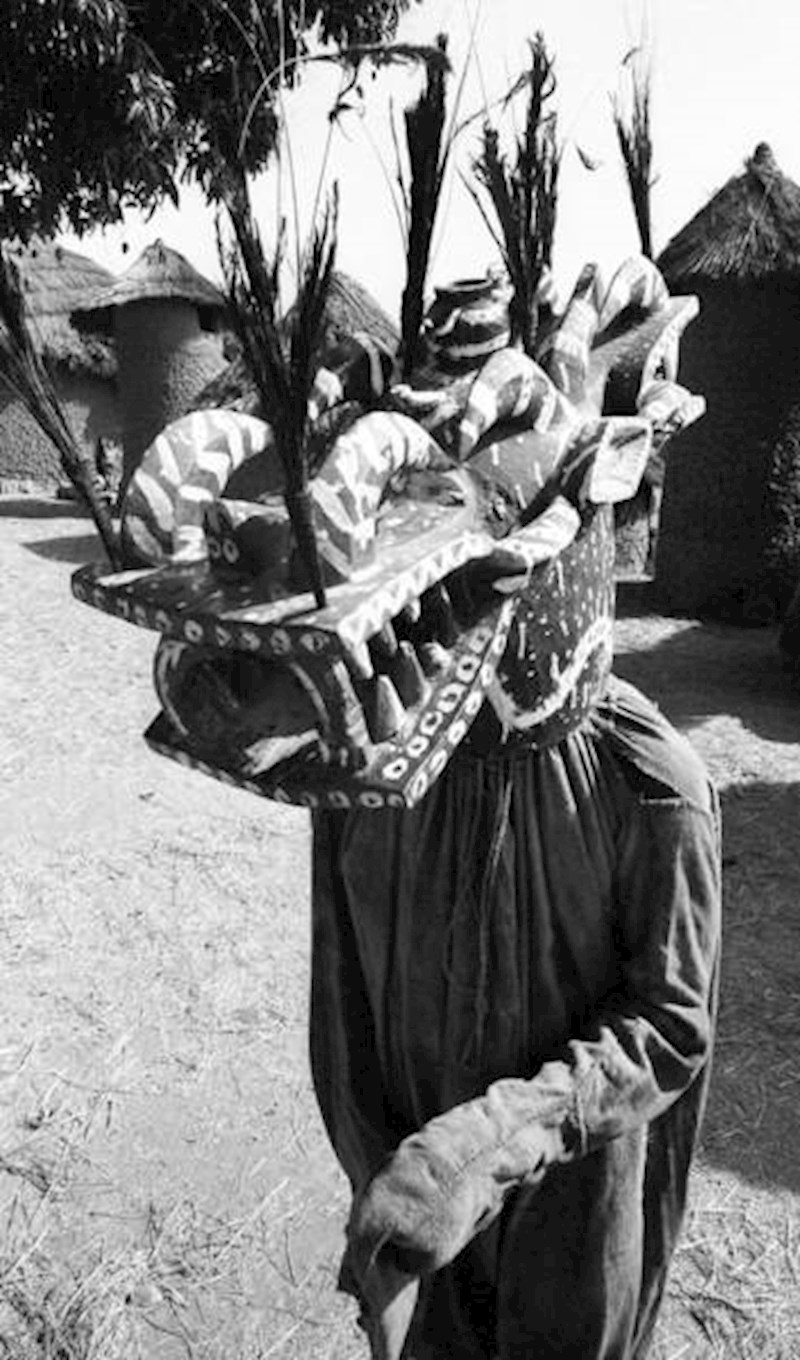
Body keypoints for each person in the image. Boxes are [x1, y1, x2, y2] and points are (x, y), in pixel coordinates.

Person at [310, 640, 721, 1359]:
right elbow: (346, 1001)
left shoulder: (650, 783)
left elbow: (670, 1022)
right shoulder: (370, 769)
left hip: (572, 1213)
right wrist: (379, 1175)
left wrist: (481, 1152)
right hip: (416, 1199)